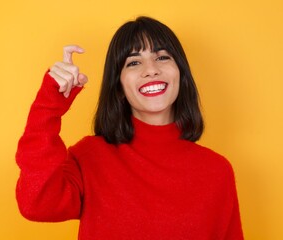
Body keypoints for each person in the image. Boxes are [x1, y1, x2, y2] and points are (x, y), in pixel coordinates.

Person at [15, 16, 244, 239]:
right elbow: (37, 204)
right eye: (134, 62)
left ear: (181, 74)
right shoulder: (90, 157)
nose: (151, 69)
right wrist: (49, 103)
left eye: (162, 57)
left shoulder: (217, 171)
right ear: (119, 86)